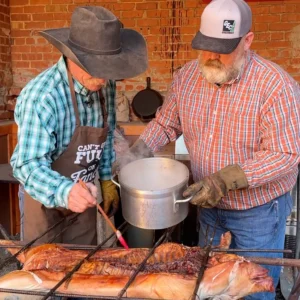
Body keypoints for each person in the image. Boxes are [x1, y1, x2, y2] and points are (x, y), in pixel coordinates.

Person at [113, 0, 300, 299]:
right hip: (209, 210)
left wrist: (224, 180)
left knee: (251, 291)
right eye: (205, 46)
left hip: (258, 212)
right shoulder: (186, 77)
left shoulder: (275, 86)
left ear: (247, 40)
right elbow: (166, 123)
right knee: (206, 287)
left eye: (223, 50)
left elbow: (286, 155)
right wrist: (136, 153)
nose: (211, 57)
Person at [10, 6, 148, 245]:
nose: (104, 79)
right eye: (97, 68)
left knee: (85, 271)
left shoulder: (105, 85)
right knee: (47, 277)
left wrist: (105, 178)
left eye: (109, 69)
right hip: (44, 203)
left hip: (84, 202)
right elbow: (26, 165)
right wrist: (65, 192)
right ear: (73, 56)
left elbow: (105, 136)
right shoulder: (43, 96)